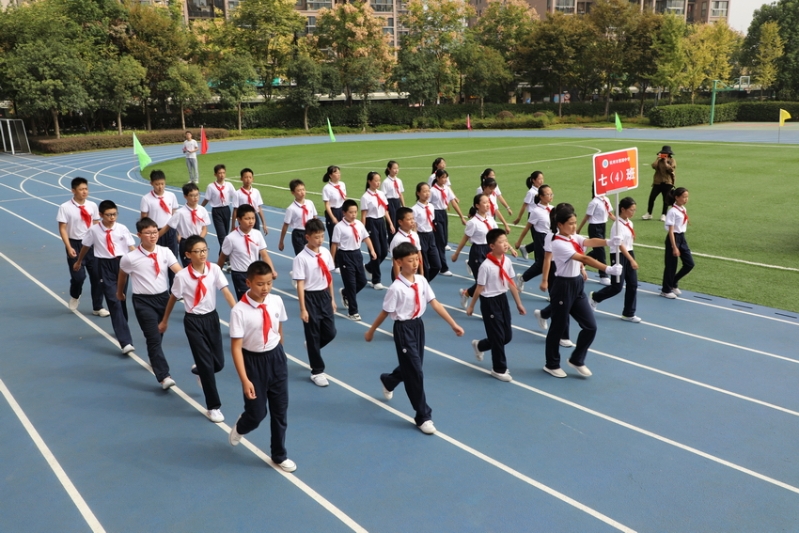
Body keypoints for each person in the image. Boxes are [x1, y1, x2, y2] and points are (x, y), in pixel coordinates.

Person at [365, 242, 464, 435]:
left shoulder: (421, 281)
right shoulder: (396, 288)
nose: (415, 263)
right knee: (416, 372)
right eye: (410, 260)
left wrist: (453, 324)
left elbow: (435, 303)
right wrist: (371, 331)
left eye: (416, 259)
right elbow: (385, 312)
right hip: (403, 329)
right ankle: (423, 416)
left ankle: (389, 381)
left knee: (412, 366)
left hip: (418, 327)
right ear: (399, 262)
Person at [228, 261, 297, 473]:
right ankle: (242, 425)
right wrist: (245, 380)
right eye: (260, 284)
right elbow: (236, 347)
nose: (265, 288)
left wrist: (280, 352)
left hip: (276, 358)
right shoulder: (239, 311)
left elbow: (278, 327)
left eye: (269, 283)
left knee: (280, 411)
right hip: (253, 362)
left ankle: (279, 454)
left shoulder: (276, 301)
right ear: (248, 283)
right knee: (257, 414)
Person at [159, 235, 237, 421]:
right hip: (193, 321)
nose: (202, 254)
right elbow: (173, 298)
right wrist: (165, 320)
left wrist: (238, 313)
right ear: (188, 255)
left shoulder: (214, 269)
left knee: (218, 363)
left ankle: (202, 371)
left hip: (212, 319)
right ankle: (213, 407)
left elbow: (226, 292)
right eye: (198, 251)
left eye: (204, 250)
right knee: (207, 365)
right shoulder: (182, 276)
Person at [542, 208, 622, 378]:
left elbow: (590, 241)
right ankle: (551, 364)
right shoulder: (558, 243)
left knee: (591, 326)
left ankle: (577, 359)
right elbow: (584, 258)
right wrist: (608, 269)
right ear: (560, 225)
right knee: (558, 328)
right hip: (563, 286)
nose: (574, 226)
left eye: (575, 223)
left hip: (577, 284)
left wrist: (609, 242)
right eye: (570, 223)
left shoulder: (573, 237)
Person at [118, 218, 182, 390]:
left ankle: (154, 356)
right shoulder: (130, 258)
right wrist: (119, 292)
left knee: (158, 334)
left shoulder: (165, 252)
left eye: (155, 232)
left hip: (163, 298)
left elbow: (178, 271)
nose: (153, 236)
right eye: (148, 233)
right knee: (153, 337)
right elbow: (123, 275)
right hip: (143, 301)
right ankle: (164, 376)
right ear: (139, 235)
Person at [74, 200, 136, 354]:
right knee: (113, 301)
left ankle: (122, 325)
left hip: (122, 264)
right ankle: (125, 341)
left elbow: (131, 247)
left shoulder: (122, 228)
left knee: (121, 298)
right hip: (104, 266)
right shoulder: (94, 230)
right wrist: (79, 261)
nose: (112, 217)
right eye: (108, 215)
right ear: (101, 215)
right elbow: (86, 246)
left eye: (114, 214)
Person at [466, 228, 526, 382]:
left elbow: (511, 283)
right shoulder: (486, 266)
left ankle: (480, 346)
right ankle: (499, 369)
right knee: (498, 337)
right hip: (489, 302)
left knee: (506, 337)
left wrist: (518, 303)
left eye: (506, 241)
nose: (506, 244)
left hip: (502, 299)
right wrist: (471, 305)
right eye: (501, 242)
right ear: (492, 246)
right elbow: (479, 287)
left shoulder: (507, 261)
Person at [292, 218, 337, 387]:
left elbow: (329, 276)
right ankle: (317, 371)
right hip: (310, 297)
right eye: (316, 237)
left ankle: (312, 346)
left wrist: (332, 298)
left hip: (324, 296)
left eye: (322, 236)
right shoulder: (301, 258)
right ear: (307, 237)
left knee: (330, 332)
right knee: (313, 334)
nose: (320, 240)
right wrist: (303, 308)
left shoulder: (325, 252)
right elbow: (300, 284)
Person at [57, 176, 107, 316]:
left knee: (97, 277)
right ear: (73, 190)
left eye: (86, 189)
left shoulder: (92, 206)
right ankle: (75, 294)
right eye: (81, 189)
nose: (84, 191)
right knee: (79, 277)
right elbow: (62, 228)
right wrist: (69, 247)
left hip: (91, 244)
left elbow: (96, 224)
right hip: (75, 244)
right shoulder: (65, 207)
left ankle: (98, 307)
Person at [589, 197, 641, 322]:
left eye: (634, 210)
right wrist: (631, 260)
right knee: (617, 286)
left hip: (629, 252)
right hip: (618, 255)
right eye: (631, 210)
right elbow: (620, 245)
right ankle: (595, 297)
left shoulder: (629, 223)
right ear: (623, 209)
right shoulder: (617, 225)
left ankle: (628, 313)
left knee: (633, 284)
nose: (633, 212)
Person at [219, 204, 277, 300]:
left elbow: (264, 255)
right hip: (240, 275)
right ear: (239, 219)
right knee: (245, 300)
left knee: (258, 299)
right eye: (247, 219)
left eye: (253, 218)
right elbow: (222, 257)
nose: (251, 221)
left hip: (255, 273)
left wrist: (272, 270)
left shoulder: (257, 234)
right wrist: (217, 274)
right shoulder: (231, 238)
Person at [331, 199, 377, 321]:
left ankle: (346, 293)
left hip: (357, 254)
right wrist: (331, 260)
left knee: (362, 281)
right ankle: (353, 311)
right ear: (344, 213)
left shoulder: (359, 224)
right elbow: (334, 244)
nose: (353, 214)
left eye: (355, 212)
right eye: (350, 212)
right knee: (351, 284)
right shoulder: (339, 227)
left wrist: (372, 250)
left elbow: (366, 237)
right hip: (345, 256)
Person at [451, 194, 498, 309]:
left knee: (490, 280)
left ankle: (466, 293)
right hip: (478, 252)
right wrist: (456, 253)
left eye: (488, 202)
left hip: (490, 250)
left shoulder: (490, 219)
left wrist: (509, 248)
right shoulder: (473, 222)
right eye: (484, 202)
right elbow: (465, 238)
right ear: (477, 205)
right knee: (482, 282)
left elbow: (497, 235)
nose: (487, 205)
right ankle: (488, 309)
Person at [140, 170, 180, 287]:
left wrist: (178, 233)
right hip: (154, 233)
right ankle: (157, 287)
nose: (160, 187)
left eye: (162, 183)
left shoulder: (171, 196)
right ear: (151, 183)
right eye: (157, 184)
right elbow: (144, 219)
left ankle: (174, 290)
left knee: (173, 260)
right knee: (156, 261)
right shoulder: (146, 199)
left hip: (170, 231)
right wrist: (145, 236)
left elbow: (175, 215)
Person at [513, 184, 554, 292]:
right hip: (541, 239)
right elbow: (527, 227)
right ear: (541, 196)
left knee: (552, 265)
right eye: (548, 194)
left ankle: (553, 293)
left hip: (551, 238)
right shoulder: (536, 211)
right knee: (541, 265)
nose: (550, 196)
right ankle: (522, 278)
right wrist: (519, 242)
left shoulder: (552, 209)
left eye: (551, 194)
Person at [161, 182, 210, 268]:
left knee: (201, 267)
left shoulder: (202, 210)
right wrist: (157, 236)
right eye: (192, 195)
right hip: (186, 243)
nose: (195, 197)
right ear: (185, 196)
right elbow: (168, 226)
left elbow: (205, 228)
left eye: (197, 195)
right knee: (189, 268)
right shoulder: (180, 213)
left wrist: (199, 240)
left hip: (199, 242)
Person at [576, 186, 616, 286]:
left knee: (597, 251)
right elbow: (587, 216)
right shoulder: (594, 202)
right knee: (601, 251)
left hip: (603, 226)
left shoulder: (606, 199)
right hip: (594, 228)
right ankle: (603, 276)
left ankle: (580, 263)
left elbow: (609, 213)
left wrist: (619, 221)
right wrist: (579, 229)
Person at [361, 171, 395, 290]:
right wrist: (362, 231)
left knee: (384, 252)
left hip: (381, 222)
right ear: (369, 181)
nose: (378, 183)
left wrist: (390, 223)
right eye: (375, 180)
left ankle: (369, 267)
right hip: (371, 223)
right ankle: (376, 280)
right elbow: (364, 215)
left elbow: (385, 210)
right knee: (376, 252)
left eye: (379, 180)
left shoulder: (381, 194)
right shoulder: (365, 197)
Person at [430, 169, 466, 277]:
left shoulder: (446, 188)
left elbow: (453, 203)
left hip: (443, 214)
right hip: (435, 214)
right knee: (440, 241)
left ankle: (433, 260)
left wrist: (461, 216)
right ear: (437, 178)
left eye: (446, 177)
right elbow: (427, 204)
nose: (445, 179)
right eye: (443, 177)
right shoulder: (432, 190)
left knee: (444, 240)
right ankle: (443, 267)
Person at [661, 187, 693, 299]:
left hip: (682, 237)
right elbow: (671, 231)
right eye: (684, 197)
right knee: (671, 266)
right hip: (673, 238)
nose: (686, 199)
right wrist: (674, 247)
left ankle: (673, 282)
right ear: (677, 197)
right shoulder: (672, 212)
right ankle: (666, 290)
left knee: (689, 264)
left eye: (687, 197)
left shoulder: (683, 209)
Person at [201, 164, 236, 266]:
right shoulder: (211, 187)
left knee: (226, 235)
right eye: (219, 173)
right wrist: (200, 208)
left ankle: (221, 257)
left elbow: (236, 195)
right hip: (217, 211)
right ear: (215, 174)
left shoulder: (229, 185)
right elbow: (206, 199)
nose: (221, 175)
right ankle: (228, 259)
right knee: (222, 236)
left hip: (226, 210)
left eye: (223, 173)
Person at [411, 182, 441, 281]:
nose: (427, 193)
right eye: (424, 191)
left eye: (428, 191)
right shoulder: (414, 209)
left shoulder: (431, 206)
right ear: (418, 193)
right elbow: (414, 227)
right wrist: (415, 240)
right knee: (423, 266)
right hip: (420, 236)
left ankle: (423, 283)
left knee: (437, 266)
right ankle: (423, 286)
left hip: (431, 236)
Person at [279, 179, 317, 256]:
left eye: (303, 189)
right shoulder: (291, 209)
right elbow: (285, 225)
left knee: (312, 254)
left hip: (310, 232)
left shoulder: (310, 203)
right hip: (298, 234)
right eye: (299, 190)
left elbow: (314, 218)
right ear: (293, 192)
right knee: (301, 256)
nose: (302, 192)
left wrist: (317, 231)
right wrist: (281, 241)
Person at [513, 171, 545, 259]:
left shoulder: (541, 190)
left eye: (542, 178)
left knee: (542, 239)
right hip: (533, 216)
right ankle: (537, 260)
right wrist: (519, 217)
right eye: (539, 179)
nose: (541, 181)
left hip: (541, 216)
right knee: (538, 240)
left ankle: (527, 249)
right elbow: (524, 205)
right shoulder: (531, 192)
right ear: (533, 180)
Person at [388, 207, 423, 281]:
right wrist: (398, 279)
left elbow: (419, 253)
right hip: (401, 271)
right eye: (409, 219)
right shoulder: (397, 239)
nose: (412, 221)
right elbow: (395, 261)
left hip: (412, 269)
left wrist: (421, 273)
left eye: (413, 218)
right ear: (400, 222)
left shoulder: (415, 235)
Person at [643, 145, 676, 221]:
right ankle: (649, 213)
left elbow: (671, 169)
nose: (664, 155)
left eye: (666, 153)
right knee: (652, 198)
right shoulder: (659, 160)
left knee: (665, 199)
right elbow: (653, 166)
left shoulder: (672, 160)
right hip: (658, 182)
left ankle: (664, 214)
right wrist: (657, 159)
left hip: (668, 182)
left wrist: (665, 162)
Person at [231, 168, 267, 234]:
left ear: (253, 179)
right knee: (245, 235)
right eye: (246, 177)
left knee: (255, 235)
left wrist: (264, 224)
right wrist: (233, 225)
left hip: (254, 216)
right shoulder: (237, 193)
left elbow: (259, 208)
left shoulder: (256, 192)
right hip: (244, 218)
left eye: (250, 177)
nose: (248, 179)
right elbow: (235, 210)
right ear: (241, 179)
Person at [321, 165, 346, 241]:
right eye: (336, 173)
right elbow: (327, 205)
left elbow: (344, 198)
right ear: (330, 175)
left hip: (342, 210)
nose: (339, 174)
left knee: (344, 235)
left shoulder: (342, 184)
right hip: (333, 211)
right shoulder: (327, 188)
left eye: (339, 173)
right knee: (334, 237)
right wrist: (332, 217)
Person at [381, 160, 405, 235]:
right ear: (389, 169)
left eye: (397, 168)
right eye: (394, 168)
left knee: (399, 223)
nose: (396, 170)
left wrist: (403, 206)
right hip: (390, 203)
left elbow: (400, 194)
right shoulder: (386, 182)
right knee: (392, 224)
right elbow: (383, 196)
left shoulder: (399, 181)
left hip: (397, 202)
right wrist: (386, 208)